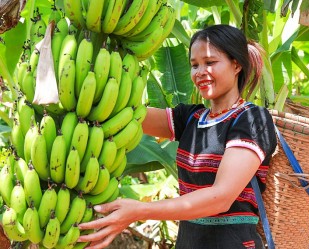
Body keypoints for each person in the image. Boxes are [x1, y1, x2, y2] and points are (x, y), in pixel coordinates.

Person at [78, 24, 277, 249]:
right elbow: (127, 116)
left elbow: (221, 197)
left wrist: (140, 210)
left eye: (210, 62)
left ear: (236, 64)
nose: (200, 72)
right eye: (194, 65)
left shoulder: (251, 119)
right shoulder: (192, 118)